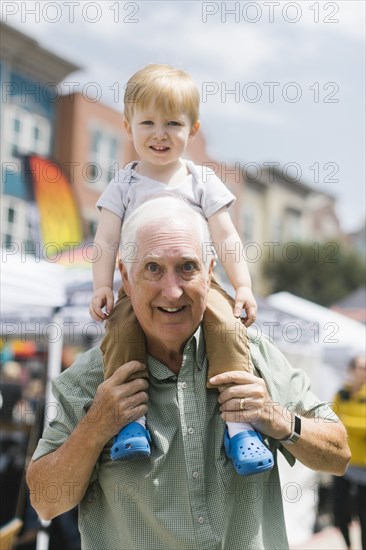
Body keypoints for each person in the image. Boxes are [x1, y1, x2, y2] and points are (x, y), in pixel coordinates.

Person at [27, 197, 350, 550]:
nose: (172, 290)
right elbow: (45, 501)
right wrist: (97, 426)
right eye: (152, 268)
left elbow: (338, 455)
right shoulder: (91, 379)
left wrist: (278, 418)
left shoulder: (254, 357)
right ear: (125, 276)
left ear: (210, 272)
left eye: (187, 267)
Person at [89, 63, 271, 475]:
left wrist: (242, 285)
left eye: (173, 123)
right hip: (141, 285)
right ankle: (131, 424)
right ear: (128, 126)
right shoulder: (125, 184)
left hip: (198, 282)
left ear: (192, 130)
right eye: (148, 122)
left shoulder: (200, 180)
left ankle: (240, 427)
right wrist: (102, 285)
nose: (160, 133)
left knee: (227, 328)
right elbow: (104, 241)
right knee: (121, 332)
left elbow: (226, 238)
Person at [332, 354, 366, 550]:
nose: (364, 372)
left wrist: (344, 421)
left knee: (363, 516)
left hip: (364, 465)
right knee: (339, 512)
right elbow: (329, 419)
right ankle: (348, 546)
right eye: (361, 367)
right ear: (351, 370)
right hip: (343, 463)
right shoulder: (341, 394)